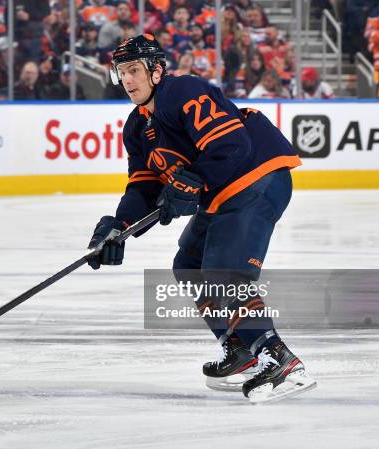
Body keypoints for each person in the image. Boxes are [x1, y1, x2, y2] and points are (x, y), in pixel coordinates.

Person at [86, 34, 317, 403]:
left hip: (256, 178)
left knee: (224, 273)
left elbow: (232, 145)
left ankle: (280, 360)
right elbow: (143, 188)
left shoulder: (183, 91)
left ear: (157, 71)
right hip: (223, 195)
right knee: (189, 265)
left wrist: (192, 184)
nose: (127, 80)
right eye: (121, 73)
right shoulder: (136, 128)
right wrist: (119, 227)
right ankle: (239, 349)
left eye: (133, 70)